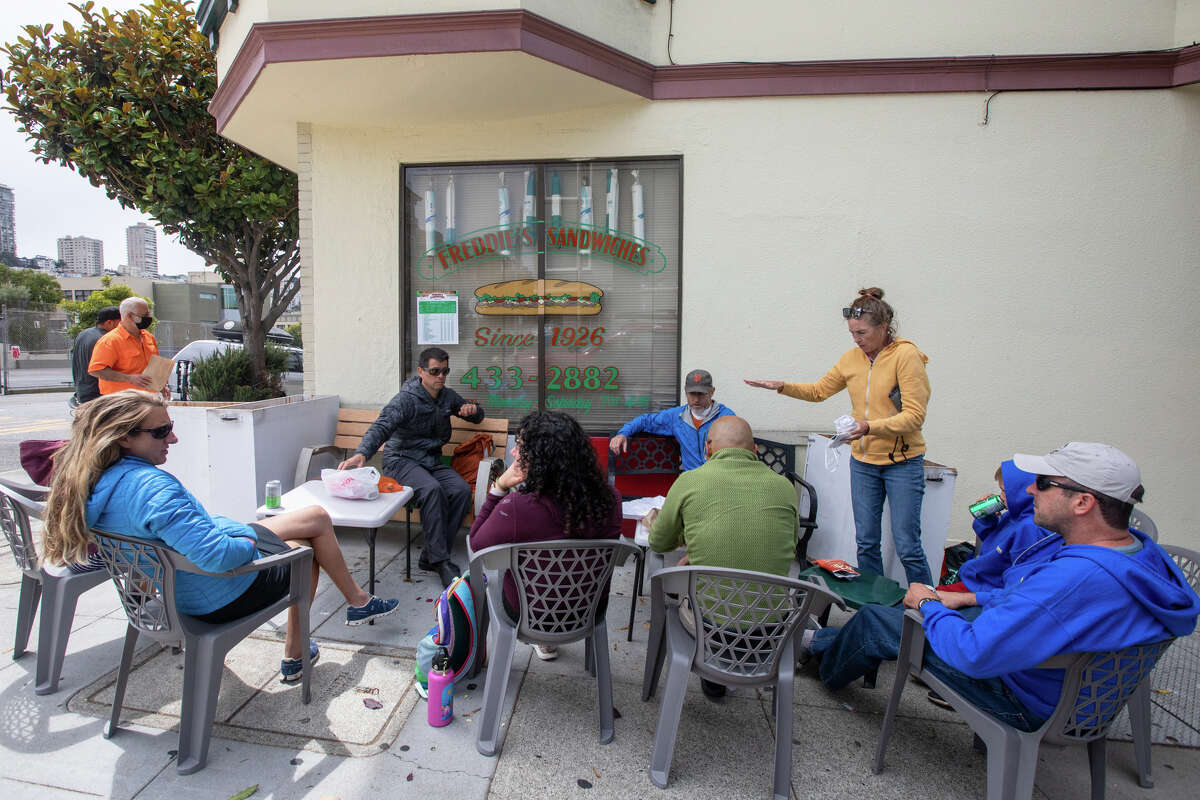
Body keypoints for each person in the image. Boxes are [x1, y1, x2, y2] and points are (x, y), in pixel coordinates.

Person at [806, 442, 1200, 731]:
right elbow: (1034, 603)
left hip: (1024, 696)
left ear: (1082, 503)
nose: (1029, 490)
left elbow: (975, 653)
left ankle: (820, 657)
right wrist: (971, 596)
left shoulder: (1074, 578)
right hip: (1074, 689)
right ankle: (824, 645)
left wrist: (929, 605)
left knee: (882, 619)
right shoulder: (1142, 554)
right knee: (908, 615)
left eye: (1043, 483)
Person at [42, 391, 400, 683]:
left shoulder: (96, 483)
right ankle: (299, 647)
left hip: (166, 597)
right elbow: (221, 557)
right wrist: (244, 534)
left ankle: (349, 607)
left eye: (171, 426)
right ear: (124, 437)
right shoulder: (152, 488)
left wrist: (227, 530)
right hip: (214, 595)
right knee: (303, 551)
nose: (174, 437)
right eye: (161, 431)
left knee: (316, 517)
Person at [745, 287, 933, 585]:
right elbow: (819, 391)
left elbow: (914, 416)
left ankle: (927, 612)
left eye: (862, 333)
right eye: (852, 333)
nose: (857, 340)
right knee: (867, 542)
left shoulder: (906, 356)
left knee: (908, 546)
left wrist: (869, 427)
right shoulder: (852, 359)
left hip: (902, 462)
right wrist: (782, 386)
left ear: (884, 327)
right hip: (864, 461)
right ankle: (874, 613)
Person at [648, 416, 798, 698]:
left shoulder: (689, 481)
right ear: (755, 451)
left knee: (677, 591)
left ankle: (713, 676)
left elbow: (659, 541)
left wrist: (694, 546)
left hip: (711, 630)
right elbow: (789, 548)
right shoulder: (784, 488)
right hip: (769, 631)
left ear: (707, 450)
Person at [468, 410, 622, 661]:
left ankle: (483, 659)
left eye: (519, 447)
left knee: (491, 579)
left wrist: (498, 488)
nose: (513, 453)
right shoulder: (611, 500)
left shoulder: (518, 507)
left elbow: (476, 544)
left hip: (529, 614)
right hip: (589, 610)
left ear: (542, 458)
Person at [338, 346, 485, 587]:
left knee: (459, 490)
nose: (441, 376)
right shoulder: (406, 399)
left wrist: (474, 410)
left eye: (445, 371)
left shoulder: (447, 396)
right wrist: (362, 453)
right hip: (401, 461)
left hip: (430, 461)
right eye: (435, 371)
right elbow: (381, 426)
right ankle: (440, 561)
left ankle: (431, 554)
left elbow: (474, 415)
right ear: (421, 371)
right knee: (432, 490)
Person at [609, 369, 735, 471]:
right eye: (692, 393)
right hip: (690, 481)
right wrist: (622, 433)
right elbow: (645, 421)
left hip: (719, 479)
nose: (696, 399)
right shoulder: (676, 416)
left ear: (712, 392)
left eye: (701, 394)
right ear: (685, 392)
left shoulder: (726, 417)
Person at [88, 296, 168, 397]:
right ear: (129, 316)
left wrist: (160, 384)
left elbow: (153, 364)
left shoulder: (148, 337)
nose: (149, 317)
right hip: (122, 400)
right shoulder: (110, 341)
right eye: (145, 314)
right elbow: (96, 370)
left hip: (147, 398)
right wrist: (129, 378)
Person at [71, 306, 121, 404]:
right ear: (109, 323)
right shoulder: (106, 339)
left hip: (82, 390)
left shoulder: (83, 334)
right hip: (98, 393)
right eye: (120, 322)